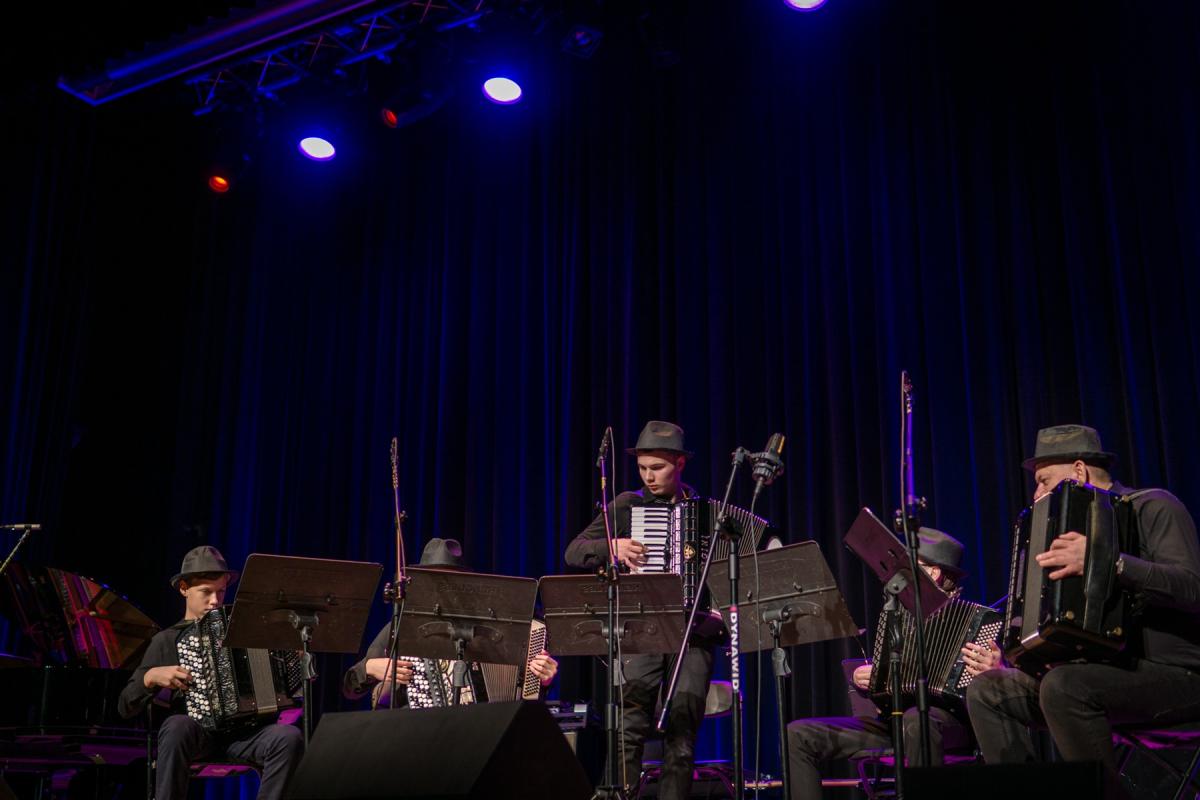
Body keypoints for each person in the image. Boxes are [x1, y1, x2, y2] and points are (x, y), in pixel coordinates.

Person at [965, 424, 1200, 796]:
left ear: (1078, 471)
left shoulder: (1153, 506)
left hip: (1180, 677)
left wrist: (1108, 562)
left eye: (1043, 481)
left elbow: (1192, 587)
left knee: (1065, 686)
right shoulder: (1062, 533)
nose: (1036, 494)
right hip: (1101, 678)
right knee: (988, 689)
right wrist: (1017, 659)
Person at [564, 420, 724, 800]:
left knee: (682, 738)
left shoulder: (708, 513)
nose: (648, 477)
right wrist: (612, 547)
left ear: (680, 464)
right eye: (642, 468)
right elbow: (573, 551)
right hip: (642, 629)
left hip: (692, 636)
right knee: (628, 729)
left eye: (658, 468)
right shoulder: (628, 505)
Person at [786, 528, 1000, 798]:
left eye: (909, 566)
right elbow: (887, 676)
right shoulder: (897, 612)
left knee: (917, 720)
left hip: (951, 726)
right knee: (797, 734)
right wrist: (865, 677)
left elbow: (992, 692)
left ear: (934, 572)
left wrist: (992, 670)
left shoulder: (977, 622)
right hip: (894, 722)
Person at [118, 546, 304, 800]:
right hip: (197, 737)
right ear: (183, 588)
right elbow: (125, 705)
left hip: (245, 737)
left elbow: (279, 688)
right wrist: (150, 678)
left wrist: (291, 665)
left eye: (221, 591)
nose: (215, 600)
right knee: (177, 725)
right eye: (206, 592)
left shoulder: (244, 635)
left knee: (288, 737)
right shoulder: (167, 640)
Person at [342, 538, 557, 705]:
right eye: (435, 581)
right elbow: (350, 687)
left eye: (450, 582)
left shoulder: (489, 629)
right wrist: (370, 668)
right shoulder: (403, 626)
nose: (443, 590)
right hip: (419, 733)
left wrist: (542, 679)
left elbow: (525, 693)